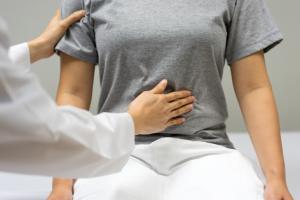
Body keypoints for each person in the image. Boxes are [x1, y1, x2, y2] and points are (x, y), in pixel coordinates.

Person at [48, 0, 293, 199]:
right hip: (118, 150)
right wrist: (61, 186)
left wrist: (276, 180)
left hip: (207, 150)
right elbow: (73, 92)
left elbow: (254, 87)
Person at [0, 10, 196, 178]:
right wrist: (133, 122)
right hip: (129, 156)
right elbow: (43, 128)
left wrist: (34, 49)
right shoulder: (85, 5)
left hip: (202, 149)